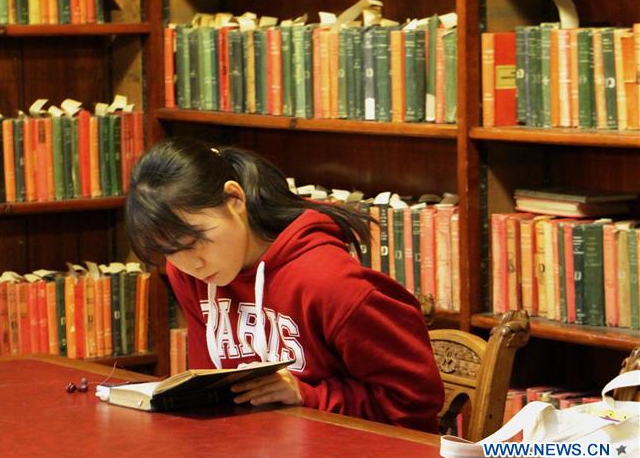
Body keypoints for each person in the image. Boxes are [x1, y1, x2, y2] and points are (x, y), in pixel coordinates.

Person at [125, 137, 445, 433]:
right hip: (256, 451)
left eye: (194, 241)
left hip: (355, 455)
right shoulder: (187, 274)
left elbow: (415, 403)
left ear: (234, 199)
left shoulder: (328, 282)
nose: (191, 264)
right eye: (170, 251)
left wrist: (309, 396)